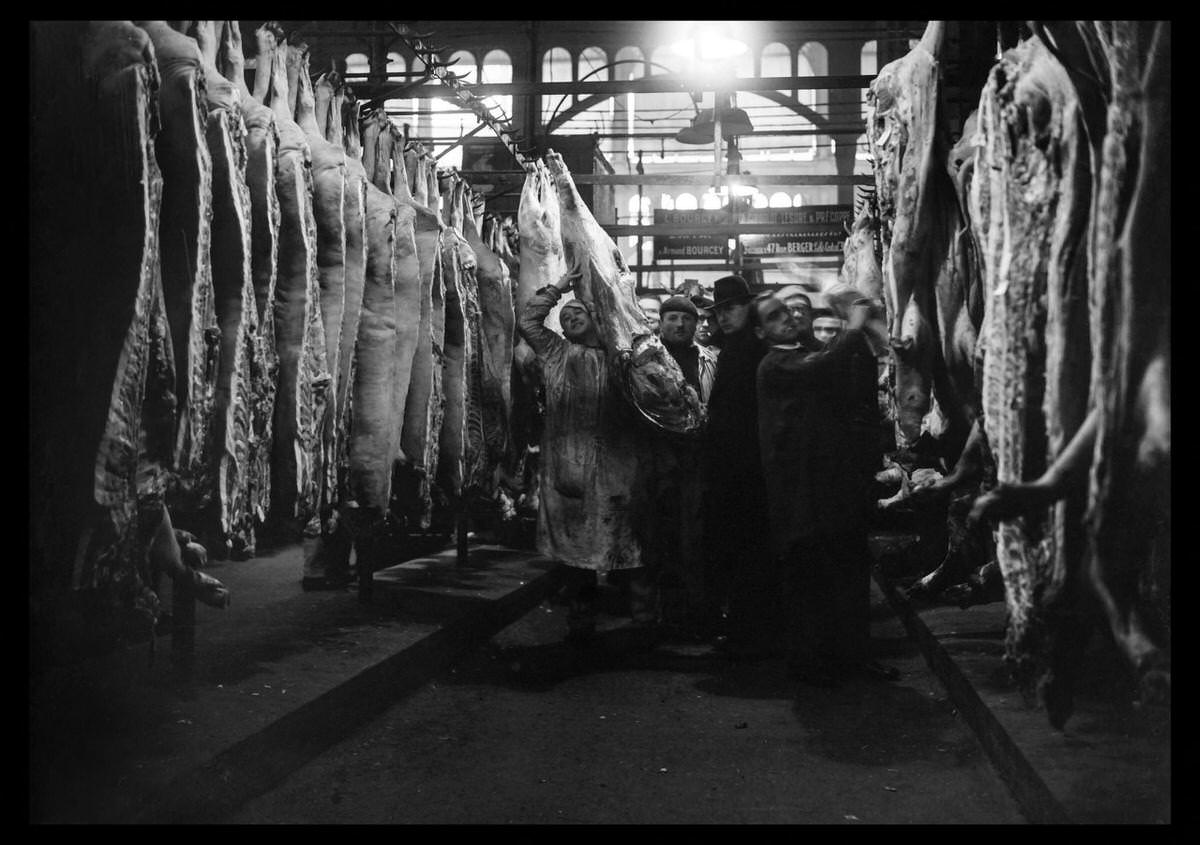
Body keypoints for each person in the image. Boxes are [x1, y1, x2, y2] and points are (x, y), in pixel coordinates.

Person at [754, 293, 900, 686]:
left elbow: (851, 383)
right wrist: (854, 325)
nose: (785, 319)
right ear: (761, 331)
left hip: (835, 488)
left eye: (785, 312)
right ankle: (812, 666)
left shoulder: (804, 355)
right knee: (811, 580)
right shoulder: (777, 364)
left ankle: (853, 658)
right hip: (803, 496)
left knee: (849, 572)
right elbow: (827, 364)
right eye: (773, 317)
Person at [518, 268, 648, 644]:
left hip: (618, 468)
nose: (571, 317)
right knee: (576, 557)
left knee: (629, 545)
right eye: (566, 316)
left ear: (595, 317)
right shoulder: (557, 353)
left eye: (578, 312)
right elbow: (529, 320)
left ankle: (643, 620)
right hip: (569, 471)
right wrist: (558, 288)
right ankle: (581, 621)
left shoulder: (621, 356)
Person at [700, 275, 773, 655]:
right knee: (738, 550)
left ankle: (752, 633)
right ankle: (747, 628)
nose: (725, 316)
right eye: (720, 310)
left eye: (732, 308)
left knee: (750, 551)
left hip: (752, 468)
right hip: (731, 468)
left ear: (749, 308)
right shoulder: (729, 347)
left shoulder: (756, 349)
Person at [641, 296, 720, 630]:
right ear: (661, 321)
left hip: (696, 458)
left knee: (693, 535)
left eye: (686, 319)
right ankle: (657, 613)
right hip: (655, 457)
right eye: (672, 318)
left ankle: (691, 612)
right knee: (656, 535)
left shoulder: (709, 360)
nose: (679, 324)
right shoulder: (645, 359)